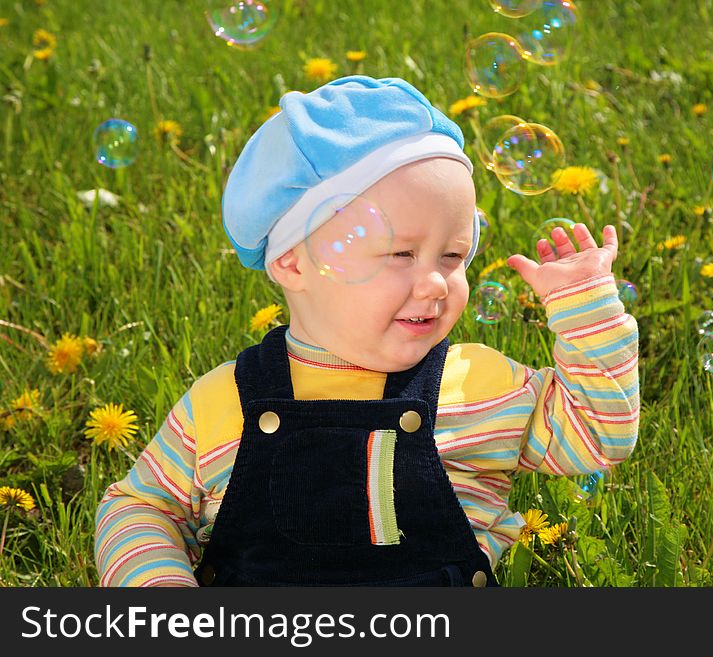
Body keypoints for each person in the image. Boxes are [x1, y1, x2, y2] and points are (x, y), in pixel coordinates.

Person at [95, 75, 639, 587]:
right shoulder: (221, 404)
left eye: (454, 255)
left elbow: (598, 434)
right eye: (401, 253)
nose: (434, 283)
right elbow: (142, 506)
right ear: (291, 262)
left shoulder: (479, 384)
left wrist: (585, 305)